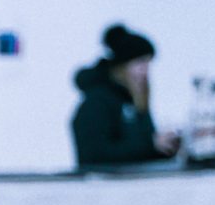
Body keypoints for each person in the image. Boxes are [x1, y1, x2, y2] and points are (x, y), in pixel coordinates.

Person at [70, 24, 181, 166]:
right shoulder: (96, 103)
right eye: (140, 63)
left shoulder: (134, 101)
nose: (145, 71)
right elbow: (95, 156)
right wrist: (150, 145)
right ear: (121, 66)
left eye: (148, 63)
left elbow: (139, 155)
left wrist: (166, 147)